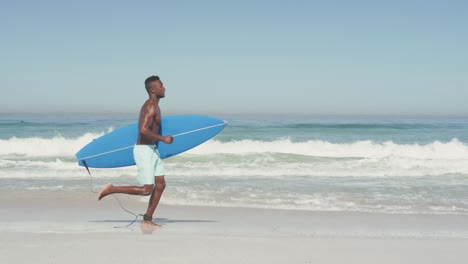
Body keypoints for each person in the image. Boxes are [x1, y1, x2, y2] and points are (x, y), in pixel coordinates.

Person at [97, 75, 173, 228]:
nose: (164, 88)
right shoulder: (150, 106)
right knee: (146, 190)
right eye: (161, 85)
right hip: (144, 150)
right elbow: (143, 130)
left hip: (152, 150)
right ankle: (111, 189)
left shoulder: (156, 106)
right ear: (153, 89)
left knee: (160, 185)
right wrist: (163, 138)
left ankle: (147, 218)